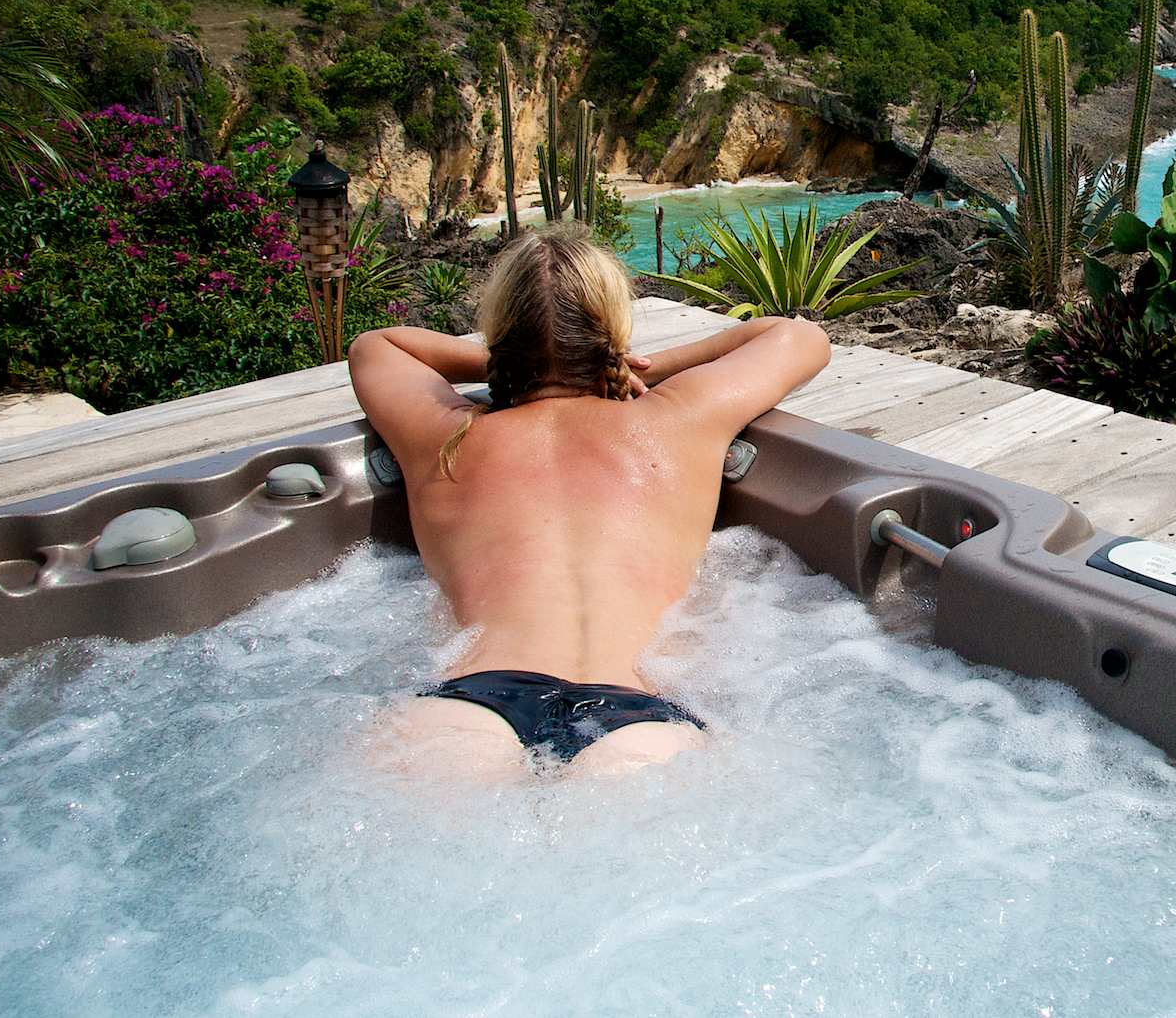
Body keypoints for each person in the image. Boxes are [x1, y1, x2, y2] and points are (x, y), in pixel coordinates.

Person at [347, 223, 830, 778]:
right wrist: (624, 365)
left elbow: (376, 345)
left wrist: (516, 362)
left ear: (502, 335)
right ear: (610, 334)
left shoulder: (445, 435)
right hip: (637, 718)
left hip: (466, 704)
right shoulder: (677, 418)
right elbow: (799, 337)